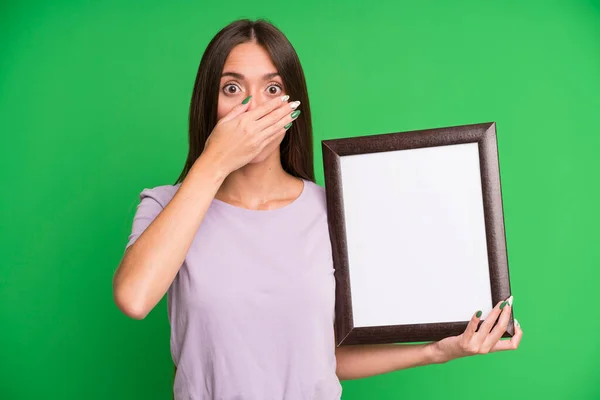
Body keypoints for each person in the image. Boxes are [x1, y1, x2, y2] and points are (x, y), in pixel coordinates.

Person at [112, 18, 523, 400]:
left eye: (272, 89)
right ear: (209, 103)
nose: (253, 108)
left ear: (293, 106)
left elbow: (322, 357)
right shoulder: (166, 205)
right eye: (232, 89)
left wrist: (435, 351)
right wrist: (214, 162)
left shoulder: (333, 212)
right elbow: (134, 298)